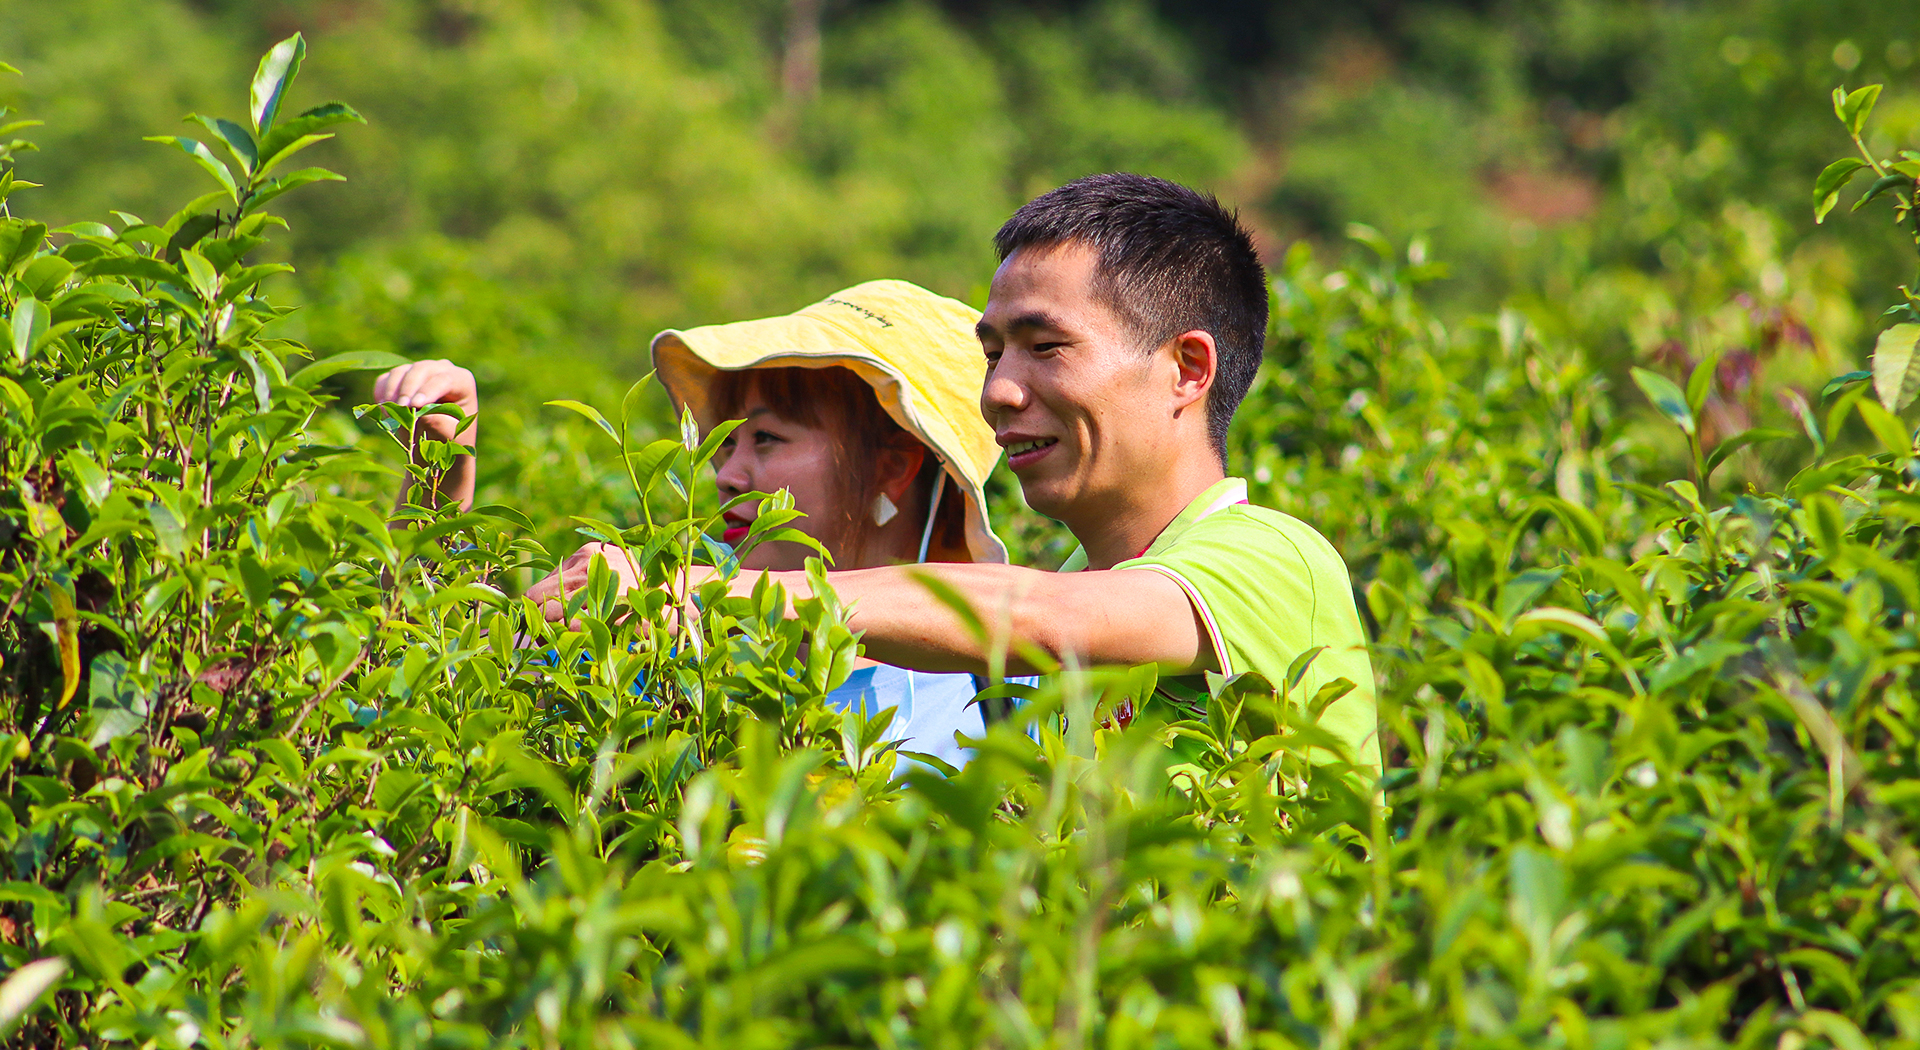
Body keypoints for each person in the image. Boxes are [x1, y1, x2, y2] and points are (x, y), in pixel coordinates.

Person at [532, 174, 1381, 783]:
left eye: (1046, 347)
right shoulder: (1050, 633)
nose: (1000, 391)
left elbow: (1044, 618)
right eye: (992, 354)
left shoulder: (1271, 556)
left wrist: (704, 599)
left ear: (1187, 370)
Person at [377, 281, 1019, 771]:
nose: (727, 475)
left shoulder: (1007, 694)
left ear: (893, 468)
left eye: (766, 438)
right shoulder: (660, 640)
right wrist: (440, 476)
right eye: (725, 444)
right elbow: (414, 707)